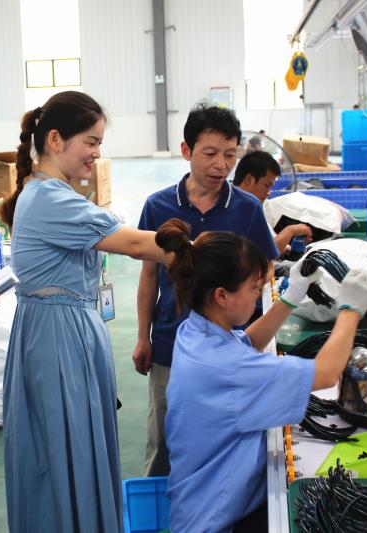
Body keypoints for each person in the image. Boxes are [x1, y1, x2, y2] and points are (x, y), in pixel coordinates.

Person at [0, 91, 170, 533]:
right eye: (90, 142)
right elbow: (136, 244)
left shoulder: (50, 193)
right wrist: (202, 252)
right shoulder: (51, 199)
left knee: (64, 444)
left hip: (62, 328)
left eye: (99, 143)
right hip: (58, 337)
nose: (96, 153)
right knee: (63, 444)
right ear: (55, 140)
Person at [156, 218, 367, 533]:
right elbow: (326, 373)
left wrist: (291, 297)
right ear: (222, 296)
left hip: (201, 502)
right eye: (254, 289)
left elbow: (247, 342)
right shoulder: (229, 369)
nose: (257, 295)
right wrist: (351, 311)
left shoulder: (194, 331)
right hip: (218, 521)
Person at [133, 104, 279, 477]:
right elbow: (149, 277)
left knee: (222, 439)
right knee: (164, 439)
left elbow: (266, 267)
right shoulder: (158, 206)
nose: (221, 165)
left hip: (228, 347)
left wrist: (248, 302)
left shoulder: (247, 208)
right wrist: (143, 336)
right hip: (169, 344)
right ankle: (158, 501)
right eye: (210, 153)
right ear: (187, 150)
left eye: (230, 155)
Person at [233, 150, 312, 252]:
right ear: (249, 180)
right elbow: (266, 253)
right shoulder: (236, 210)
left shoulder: (251, 207)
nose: (269, 193)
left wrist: (288, 247)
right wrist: (291, 231)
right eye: (267, 186)